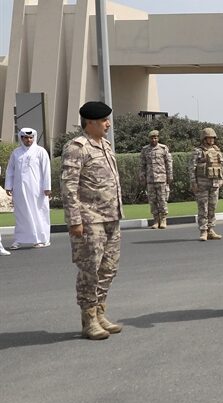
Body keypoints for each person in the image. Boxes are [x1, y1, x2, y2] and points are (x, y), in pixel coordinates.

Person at [61, 101, 124, 340]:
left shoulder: (105, 145)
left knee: (108, 269)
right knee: (90, 271)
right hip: (90, 220)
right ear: (90, 123)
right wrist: (75, 221)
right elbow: (69, 186)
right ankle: (88, 320)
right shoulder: (77, 147)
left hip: (111, 216)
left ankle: (100, 313)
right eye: (104, 120)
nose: (108, 124)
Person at [4, 127, 52, 249]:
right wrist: (8, 186)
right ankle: (19, 239)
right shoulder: (16, 153)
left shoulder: (40, 151)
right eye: (26, 137)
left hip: (37, 190)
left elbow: (46, 171)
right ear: (21, 138)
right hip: (19, 190)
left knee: (38, 212)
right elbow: (10, 170)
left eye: (31, 137)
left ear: (34, 138)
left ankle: (40, 239)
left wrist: (47, 187)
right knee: (21, 214)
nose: (28, 140)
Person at [192, 127, 223, 241]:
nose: (211, 140)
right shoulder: (198, 151)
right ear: (204, 139)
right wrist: (193, 182)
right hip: (202, 183)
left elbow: (221, 166)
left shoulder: (217, 150)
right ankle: (203, 231)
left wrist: (222, 179)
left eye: (213, 138)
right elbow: (192, 168)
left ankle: (211, 229)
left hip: (214, 183)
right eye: (209, 138)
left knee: (213, 207)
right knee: (203, 207)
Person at [140, 129, 172, 229]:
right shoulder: (145, 150)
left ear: (158, 138)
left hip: (162, 179)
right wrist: (142, 176)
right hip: (150, 179)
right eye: (152, 138)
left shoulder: (163, 148)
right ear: (149, 139)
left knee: (162, 200)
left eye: (156, 137)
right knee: (152, 201)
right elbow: (142, 165)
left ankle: (163, 219)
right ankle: (156, 220)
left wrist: (170, 175)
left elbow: (168, 163)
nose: (154, 139)